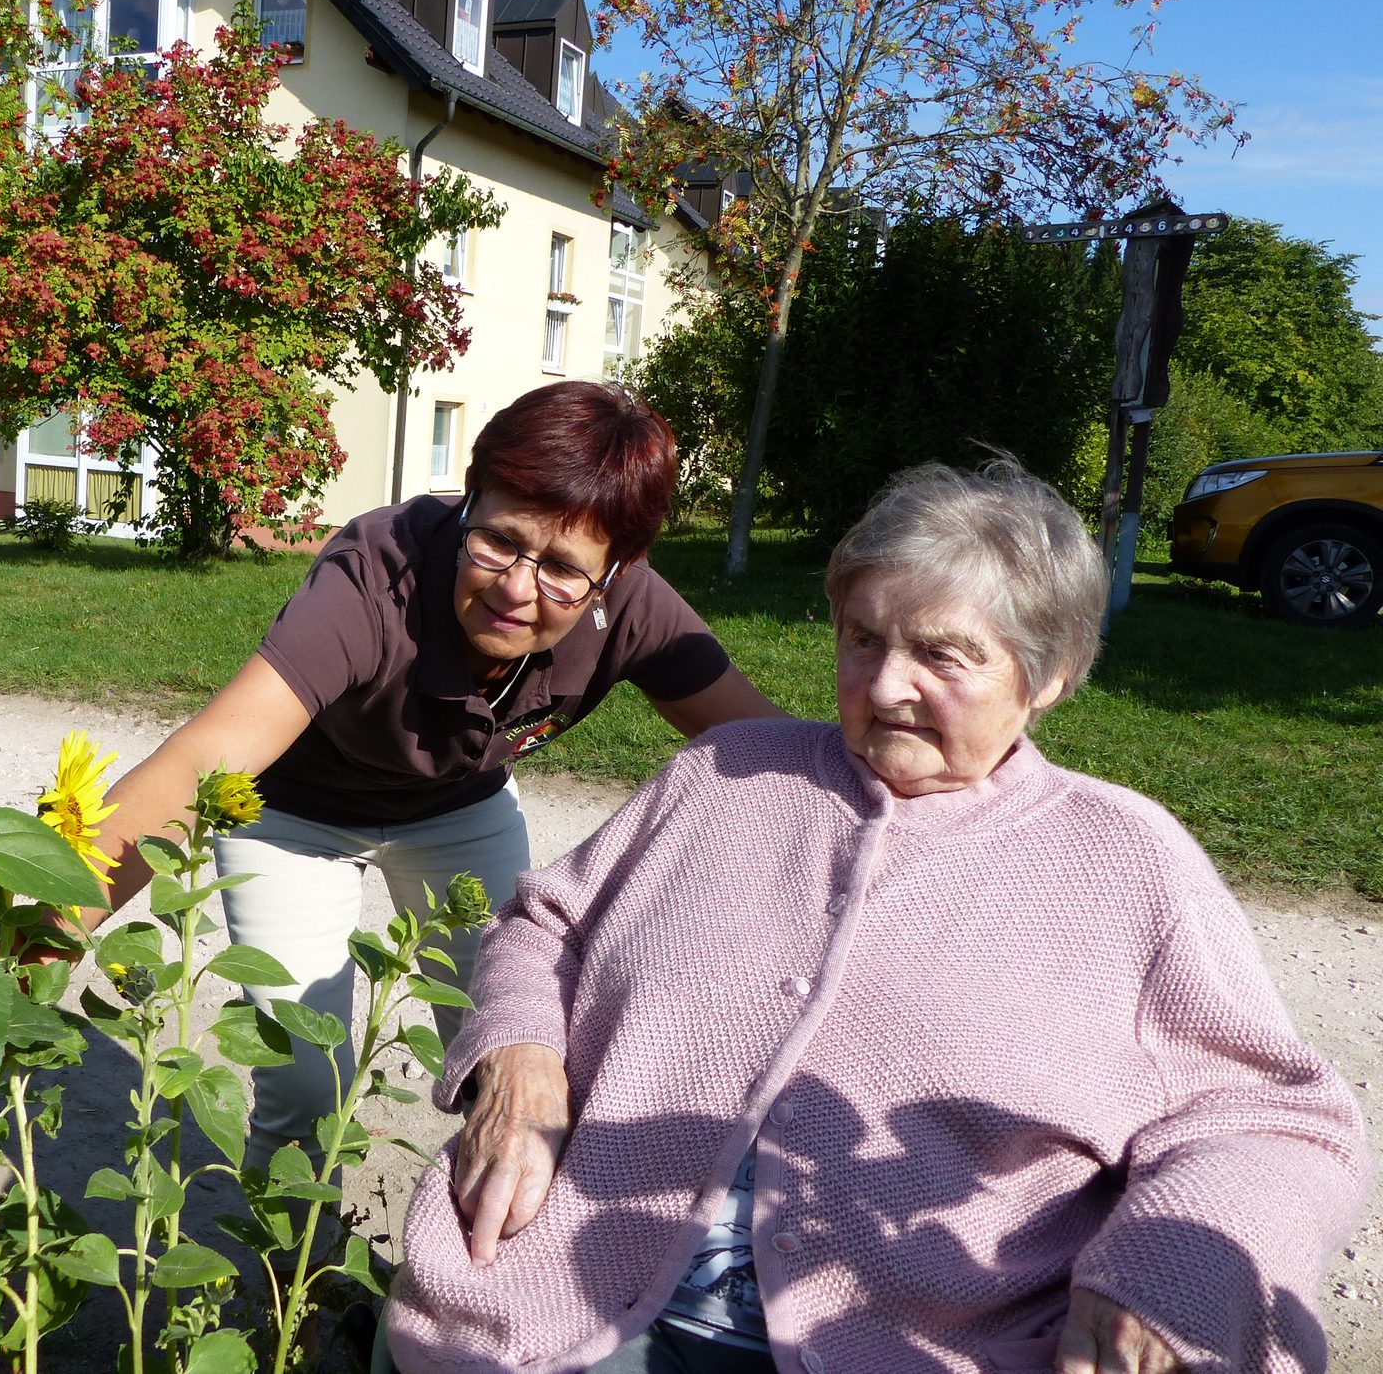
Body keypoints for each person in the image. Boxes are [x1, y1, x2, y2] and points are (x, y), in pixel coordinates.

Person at [385, 459, 1367, 1374]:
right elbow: (546, 924)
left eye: (941, 654)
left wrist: (1163, 1277)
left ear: (1049, 676)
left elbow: (1274, 1121)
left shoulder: (1123, 861)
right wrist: (518, 1055)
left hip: (908, 1340)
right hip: (557, 1300)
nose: (885, 683)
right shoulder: (724, 777)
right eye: (864, 638)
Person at [64, 381, 784, 1166]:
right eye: (499, 541)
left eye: (562, 571)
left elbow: (771, 750)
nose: (516, 588)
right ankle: (285, 1277)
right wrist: (45, 922)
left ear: (614, 574)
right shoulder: (377, 571)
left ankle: (484, 1274)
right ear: (470, 499)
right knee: (307, 1079)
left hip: (458, 814)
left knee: (517, 1057)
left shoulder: (633, 608)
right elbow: (206, 760)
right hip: (293, 821)